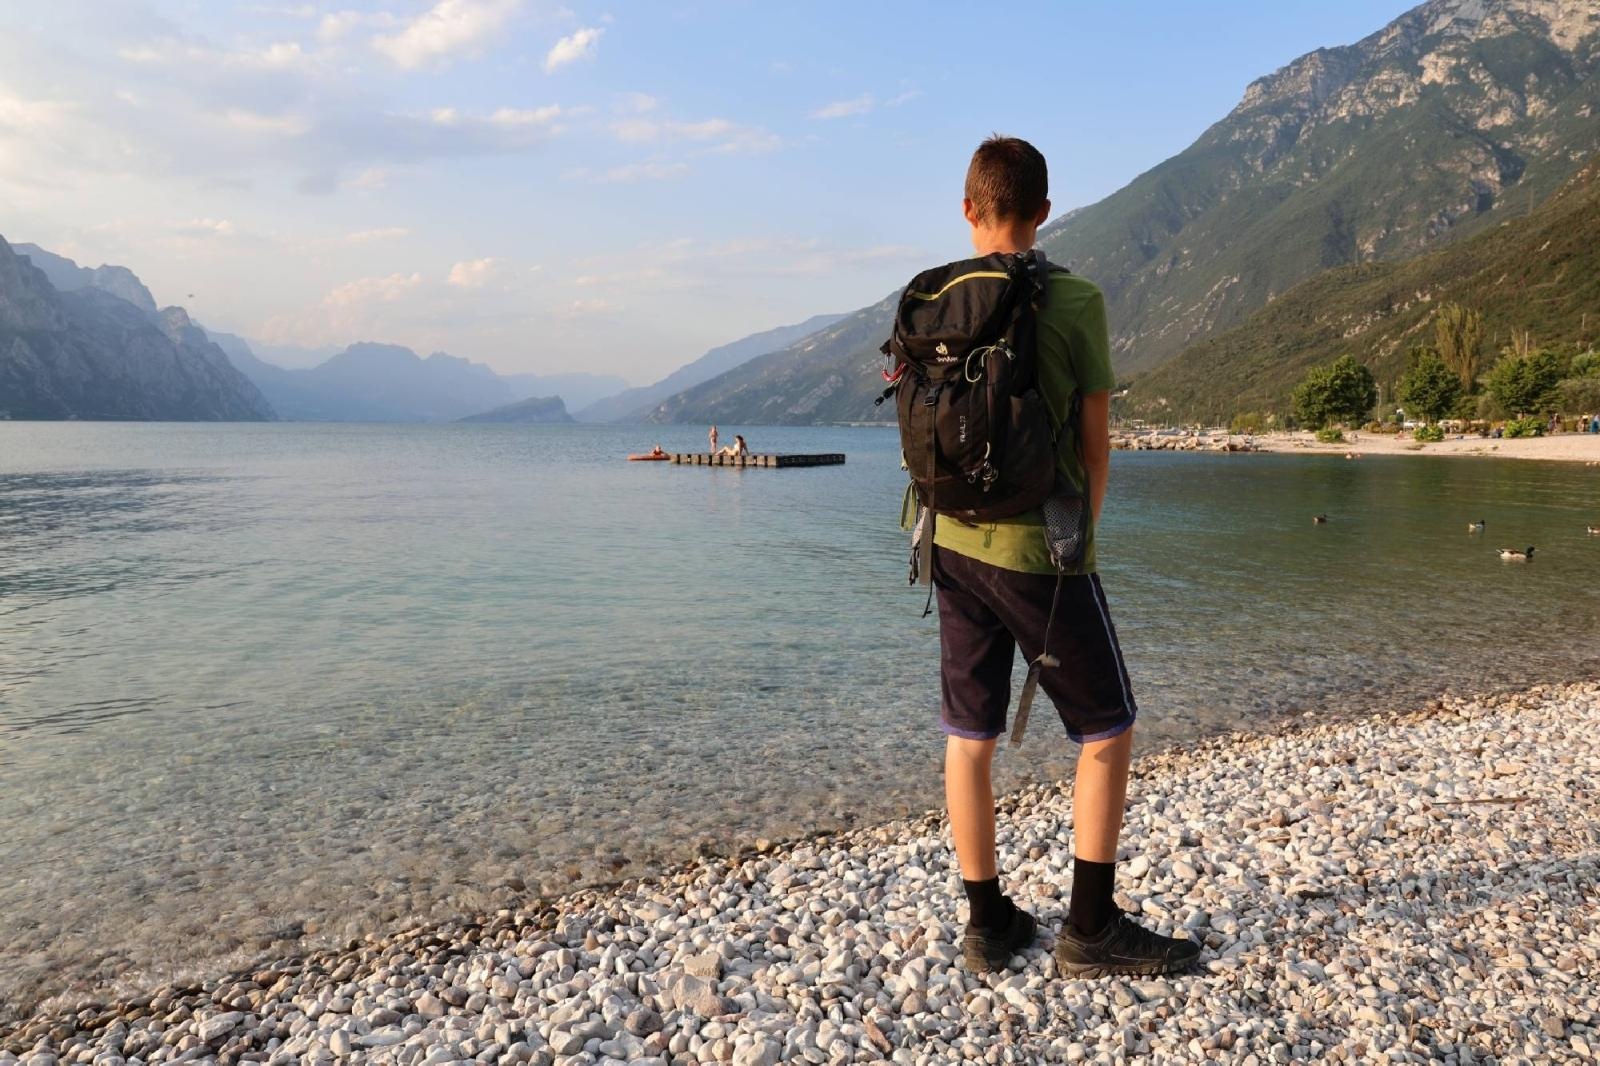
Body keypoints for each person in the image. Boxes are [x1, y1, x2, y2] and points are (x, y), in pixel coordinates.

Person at [927, 136, 1200, 976]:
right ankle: (1089, 928)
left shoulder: (932, 297)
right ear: (1045, 212)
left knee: (970, 733)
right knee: (1108, 726)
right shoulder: (1074, 299)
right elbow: (1095, 445)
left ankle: (988, 923)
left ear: (968, 210)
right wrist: (1081, 542)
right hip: (1038, 554)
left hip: (945, 538)